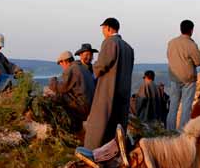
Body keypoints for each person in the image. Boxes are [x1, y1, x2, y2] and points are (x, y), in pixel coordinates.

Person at [84, 17, 135, 149]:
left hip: (108, 91)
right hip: (123, 92)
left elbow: (102, 65)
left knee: (99, 124)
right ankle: (115, 152)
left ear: (108, 28)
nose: (102, 32)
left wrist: (91, 74)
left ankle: (92, 152)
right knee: (117, 126)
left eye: (103, 29)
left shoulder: (109, 42)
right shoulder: (129, 48)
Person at [165, 19, 200, 132]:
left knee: (173, 107)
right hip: (188, 79)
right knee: (186, 107)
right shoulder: (191, 44)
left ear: (181, 29)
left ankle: (169, 131)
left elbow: (169, 56)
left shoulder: (171, 43)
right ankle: (182, 132)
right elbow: (198, 62)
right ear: (191, 30)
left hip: (174, 77)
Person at [47, 50, 93, 126]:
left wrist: (52, 81)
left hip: (83, 108)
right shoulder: (83, 67)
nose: (61, 66)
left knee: (54, 94)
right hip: (89, 105)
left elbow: (62, 88)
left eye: (61, 63)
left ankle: (60, 123)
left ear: (65, 61)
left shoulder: (72, 69)